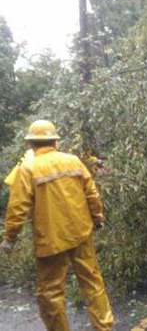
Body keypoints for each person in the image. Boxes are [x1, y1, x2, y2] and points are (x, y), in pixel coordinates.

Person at [0, 120, 114, 331]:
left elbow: (17, 208)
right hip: (81, 232)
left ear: (30, 144)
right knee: (92, 282)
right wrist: (98, 219)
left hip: (51, 240)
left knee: (51, 293)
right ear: (56, 142)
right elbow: (92, 194)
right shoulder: (73, 161)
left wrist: (10, 238)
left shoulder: (28, 168)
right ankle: (104, 327)